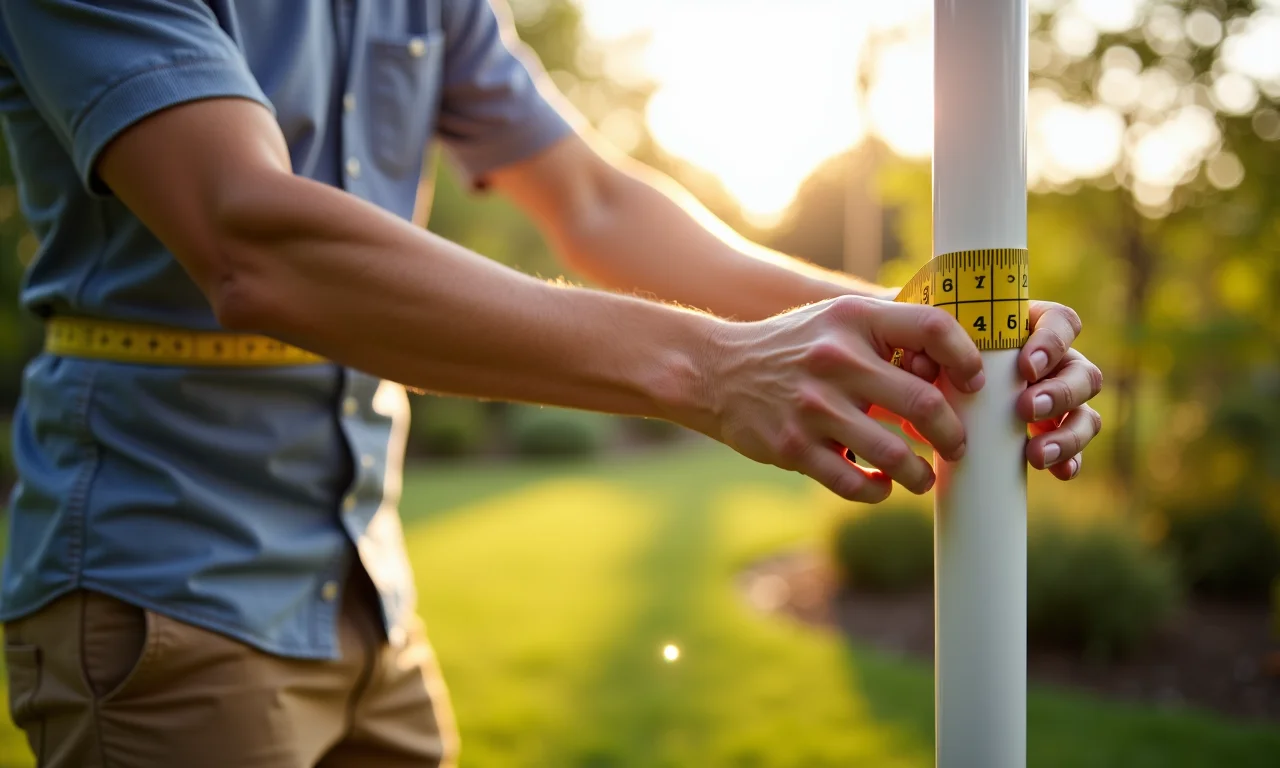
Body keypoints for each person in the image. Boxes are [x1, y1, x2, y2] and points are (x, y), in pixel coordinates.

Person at [0, 1, 1103, 766]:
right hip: (166, 582)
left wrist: (907, 324)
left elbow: (592, 205)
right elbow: (251, 242)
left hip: (365, 588)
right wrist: (708, 369)